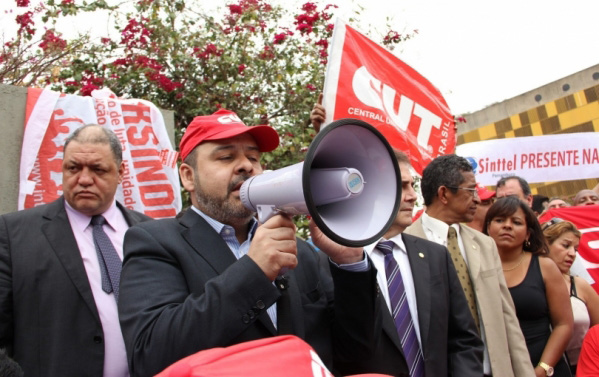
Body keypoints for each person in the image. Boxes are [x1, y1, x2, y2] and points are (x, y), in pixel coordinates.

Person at [118, 109, 380, 376]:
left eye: (253, 157)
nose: (246, 166)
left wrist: (350, 265)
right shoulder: (155, 242)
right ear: (188, 176)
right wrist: (254, 271)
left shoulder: (300, 252)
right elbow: (150, 355)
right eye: (226, 156)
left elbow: (355, 354)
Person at [0, 124, 151, 377]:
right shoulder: (13, 234)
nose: (83, 179)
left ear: (120, 172)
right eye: (73, 168)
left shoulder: (151, 233)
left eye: (97, 169)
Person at [335, 150, 484, 376]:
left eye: (412, 185)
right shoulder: (335, 266)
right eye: (402, 186)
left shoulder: (436, 256)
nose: (413, 196)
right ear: (366, 190)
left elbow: (463, 340)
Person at [405, 154, 535, 377]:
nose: (477, 199)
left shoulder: (485, 245)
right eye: (470, 190)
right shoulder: (404, 245)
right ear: (444, 194)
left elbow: (508, 319)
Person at [483, 197, 573, 377]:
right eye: (499, 220)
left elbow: (564, 324)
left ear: (528, 233)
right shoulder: (475, 267)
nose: (507, 226)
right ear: (488, 228)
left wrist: (542, 369)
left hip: (544, 369)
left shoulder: (545, 266)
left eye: (516, 222)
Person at [542, 218, 599, 374]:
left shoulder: (580, 286)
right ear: (544, 244)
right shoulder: (526, 287)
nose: (572, 254)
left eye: (576, 249)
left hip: (586, 369)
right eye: (566, 246)